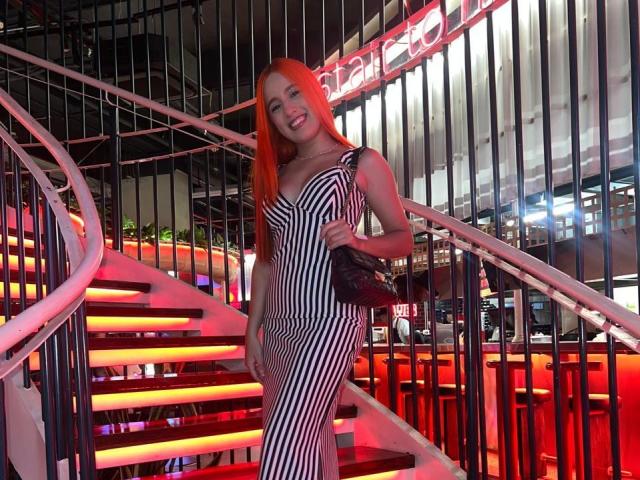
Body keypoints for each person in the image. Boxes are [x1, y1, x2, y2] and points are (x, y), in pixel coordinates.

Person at [244, 57, 413, 480]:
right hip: (280, 326)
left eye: (293, 93)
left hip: (331, 320)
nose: (288, 110)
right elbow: (265, 260)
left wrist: (359, 241)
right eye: (275, 106)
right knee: (313, 438)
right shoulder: (275, 173)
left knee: (285, 437)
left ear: (314, 93)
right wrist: (252, 330)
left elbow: (402, 238)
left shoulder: (360, 161)